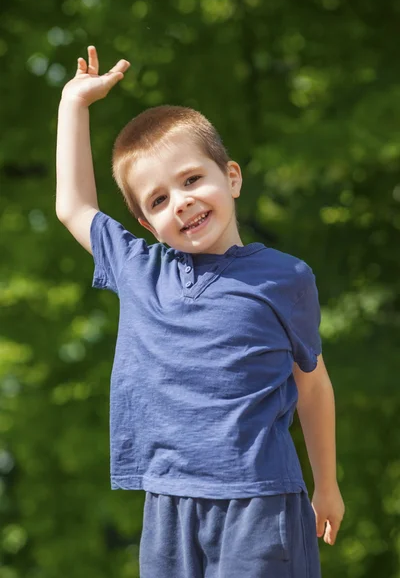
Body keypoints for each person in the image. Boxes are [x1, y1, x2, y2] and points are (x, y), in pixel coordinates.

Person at [56, 45, 345, 578]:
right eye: (158, 200)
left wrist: (326, 484)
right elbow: (73, 205)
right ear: (146, 225)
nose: (181, 202)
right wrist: (73, 106)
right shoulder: (140, 269)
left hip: (261, 501)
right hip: (167, 502)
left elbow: (313, 385)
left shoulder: (286, 278)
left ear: (230, 177)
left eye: (191, 180)